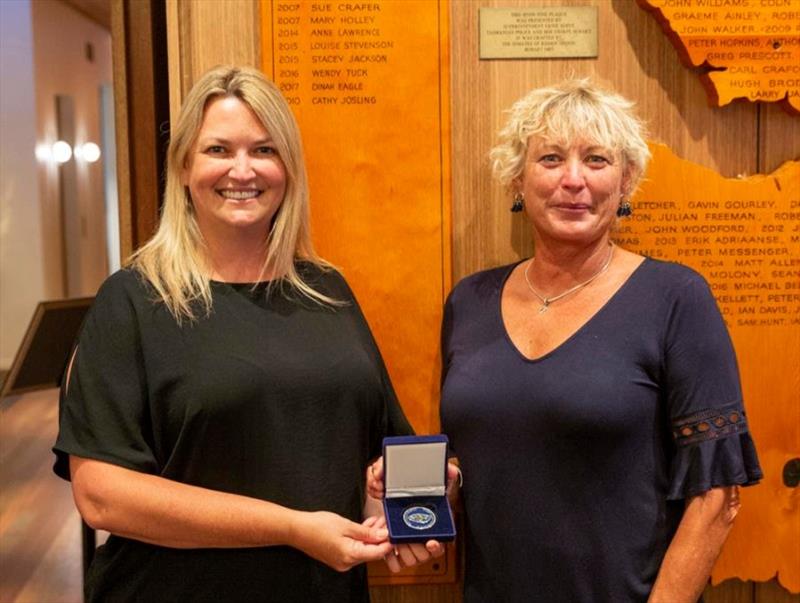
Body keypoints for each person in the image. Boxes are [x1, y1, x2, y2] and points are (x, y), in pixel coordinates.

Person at [53, 65, 442, 603]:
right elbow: (102, 497)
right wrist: (290, 527)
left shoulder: (326, 290)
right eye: (218, 150)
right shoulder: (133, 301)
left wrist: (394, 518)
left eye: (264, 150)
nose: (243, 169)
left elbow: (376, 455)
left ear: (288, 168)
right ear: (184, 165)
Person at [437, 80, 761, 602]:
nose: (573, 180)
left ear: (626, 180)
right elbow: (471, 461)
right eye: (549, 158)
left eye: (596, 159)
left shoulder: (676, 297)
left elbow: (716, 495)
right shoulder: (469, 301)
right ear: (517, 179)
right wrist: (428, 489)